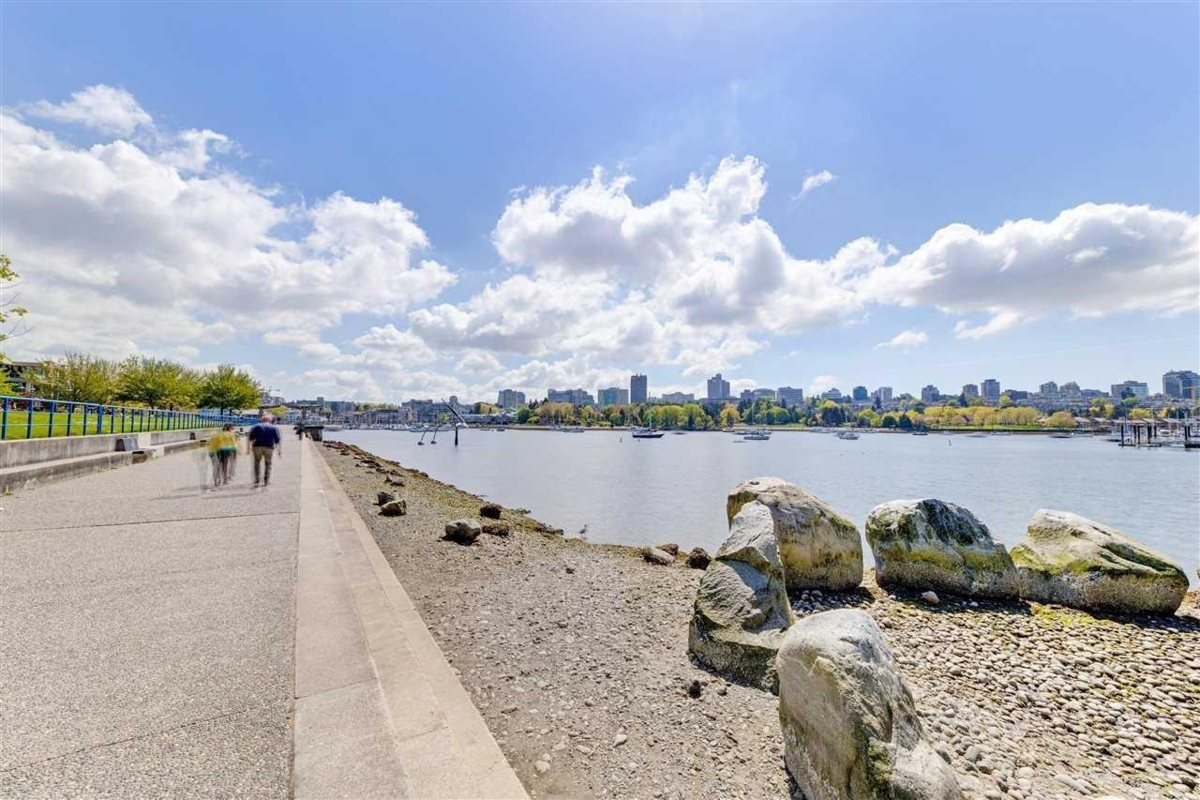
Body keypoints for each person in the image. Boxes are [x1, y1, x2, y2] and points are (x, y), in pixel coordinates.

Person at [248, 413, 282, 488]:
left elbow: (251, 438)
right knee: (268, 464)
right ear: (270, 420)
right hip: (269, 447)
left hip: (257, 447)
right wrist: (279, 451)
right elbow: (277, 440)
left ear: (262, 420)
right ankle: (266, 481)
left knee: (257, 463)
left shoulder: (256, 426)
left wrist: (250, 447)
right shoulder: (274, 427)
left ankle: (257, 480)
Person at [207, 423, 239, 487]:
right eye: (232, 428)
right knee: (225, 466)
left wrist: (211, 452)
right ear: (230, 428)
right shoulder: (232, 434)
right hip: (225, 450)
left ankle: (218, 481)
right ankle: (225, 480)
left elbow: (210, 443)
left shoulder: (217, 435)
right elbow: (234, 445)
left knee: (217, 467)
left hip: (216, 451)